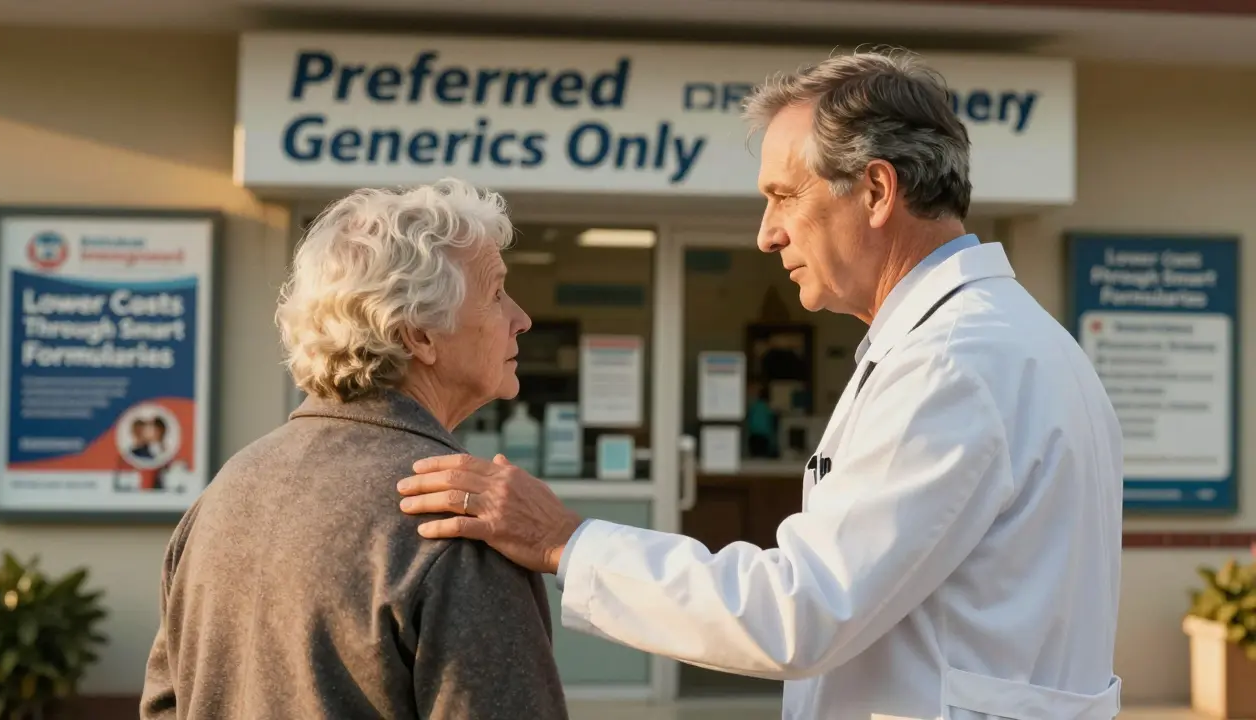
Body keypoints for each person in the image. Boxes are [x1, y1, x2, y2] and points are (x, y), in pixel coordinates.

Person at [397, 49, 1124, 719]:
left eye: (783, 196)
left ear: (876, 189)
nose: (766, 234)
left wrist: (564, 539)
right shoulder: (1009, 341)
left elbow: (800, 613)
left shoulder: (954, 362)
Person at [140, 179, 569, 720]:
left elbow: (164, 703)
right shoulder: (456, 519)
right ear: (420, 335)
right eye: (497, 292)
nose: (521, 318)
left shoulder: (227, 489)